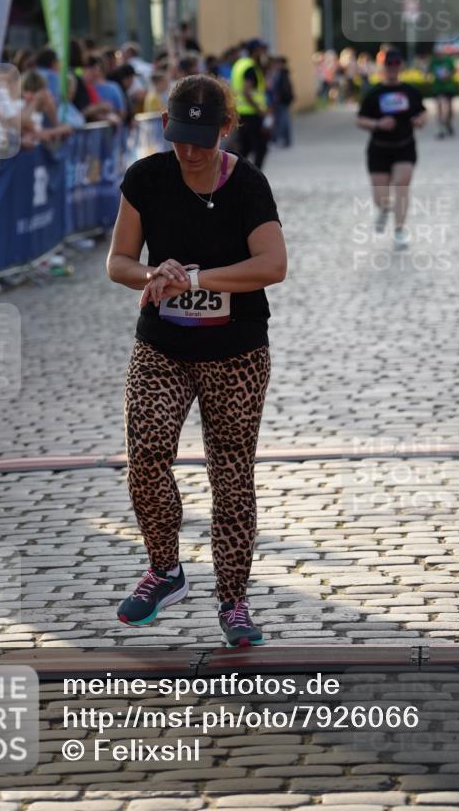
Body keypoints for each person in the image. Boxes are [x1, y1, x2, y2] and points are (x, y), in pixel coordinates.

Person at [106, 73, 287, 648]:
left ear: (226, 130)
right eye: (180, 136)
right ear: (165, 126)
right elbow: (118, 261)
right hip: (163, 345)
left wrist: (200, 280)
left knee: (231, 472)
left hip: (236, 350)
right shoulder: (146, 179)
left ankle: (233, 600)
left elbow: (273, 264)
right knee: (146, 453)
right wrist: (153, 274)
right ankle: (165, 570)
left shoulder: (248, 184)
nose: (189, 151)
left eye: (202, 140)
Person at [357, 48, 427, 250]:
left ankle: (399, 230)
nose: (393, 68)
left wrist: (420, 120)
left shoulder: (411, 91)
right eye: (389, 64)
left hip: (404, 146)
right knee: (381, 198)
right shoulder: (374, 93)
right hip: (379, 149)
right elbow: (360, 120)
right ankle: (384, 209)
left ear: (401, 66)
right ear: (383, 67)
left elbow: (423, 113)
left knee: (402, 186)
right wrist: (378, 124)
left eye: (396, 64)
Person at [231, 39, 270, 169]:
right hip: (252, 114)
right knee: (261, 148)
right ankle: (256, 178)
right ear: (256, 51)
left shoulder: (239, 64)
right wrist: (260, 110)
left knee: (245, 149)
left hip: (240, 113)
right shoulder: (251, 67)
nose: (264, 53)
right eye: (262, 50)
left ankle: (238, 177)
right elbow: (247, 91)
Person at [428, 46, 457, 138]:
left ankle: (448, 122)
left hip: (448, 87)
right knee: (439, 106)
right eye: (437, 53)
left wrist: (448, 75)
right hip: (438, 88)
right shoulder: (433, 61)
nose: (439, 54)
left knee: (449, 110)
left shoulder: (449, 60)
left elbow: (454, 70)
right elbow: (429, 72)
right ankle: (441, 128)